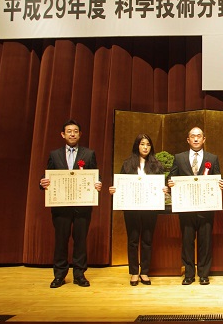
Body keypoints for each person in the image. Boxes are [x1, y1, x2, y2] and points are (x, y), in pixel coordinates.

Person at [39, 119, 102, 288]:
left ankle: (79, 274)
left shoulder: (89, 154)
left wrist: (98, 183)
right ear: (63, 134)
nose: (72, 134)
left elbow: (96, 176)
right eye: (69, 131)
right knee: (61, 240)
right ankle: (59, 275)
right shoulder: (54, 154)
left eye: (75, 131)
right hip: (60, 207)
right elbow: (48, 177)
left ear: (80, 134)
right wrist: (42, 183)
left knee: (80, 241)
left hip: (82, 207)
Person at [167, 127, 223, 285]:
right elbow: (171, 178)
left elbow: (218, 179)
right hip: (186, 208)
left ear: (204, 139)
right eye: (192, 136)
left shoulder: (212, 158)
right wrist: (170, 182)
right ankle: (188, 274)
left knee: (205, 242)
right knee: (187, 242)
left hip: (206, 208)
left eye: (198, 136)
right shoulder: (179, 158)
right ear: (188, 140)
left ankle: (204, 274)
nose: (195, 139)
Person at [108, 134, 167, 286]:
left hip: (150, 208)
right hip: (132, 208)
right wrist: (115, 189)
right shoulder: (128, 164)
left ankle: (145, 271)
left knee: (147, 239)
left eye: (148, 144)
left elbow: (162, 184)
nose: (145, 147)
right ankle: (134, 272)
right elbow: (121, 183)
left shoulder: (156, 164)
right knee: (133, 240)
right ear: (137, 146)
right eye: (142, 144)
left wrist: (164, 189)